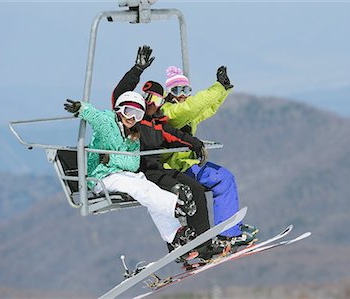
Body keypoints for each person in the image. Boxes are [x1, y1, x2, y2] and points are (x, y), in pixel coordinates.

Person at [110, 45, 220, 259]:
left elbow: (177, 136)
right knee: (177, 193)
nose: (152, 104)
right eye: (149, 98)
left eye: (157, 100)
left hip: (159, 170)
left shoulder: (159, 124)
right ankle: (179, 247)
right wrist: (137, 70)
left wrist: (195, 144)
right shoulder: (132, 120)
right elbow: (119, 97)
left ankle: (202, 244)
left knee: (196, 190)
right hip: (141, 173)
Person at [63, 91, 197, 251]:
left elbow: (133, 164)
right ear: (120, 109)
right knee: (138, 188)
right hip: (101, 176)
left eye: (138, 115)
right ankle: (175, 205)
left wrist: (111, 158)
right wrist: (81, 108)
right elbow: (95, 116)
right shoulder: (108, 124)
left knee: (149, 188)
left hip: (124, 175)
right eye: (129, 111)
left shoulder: (133, 136)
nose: (132, 118)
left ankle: (175, 235)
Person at [160, 65, 258, 249]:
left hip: (186, 164)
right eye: (177, 90)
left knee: (225, 178)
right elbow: (192, 107)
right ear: (169, 93)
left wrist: (224, 91)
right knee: (209, 186)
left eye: (186, 90)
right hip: (173, 168)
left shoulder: (185, 115)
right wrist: (218, 88)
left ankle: (228, 231)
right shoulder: (169, 113)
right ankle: (219, 236)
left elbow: (207, 109)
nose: (182, 94)